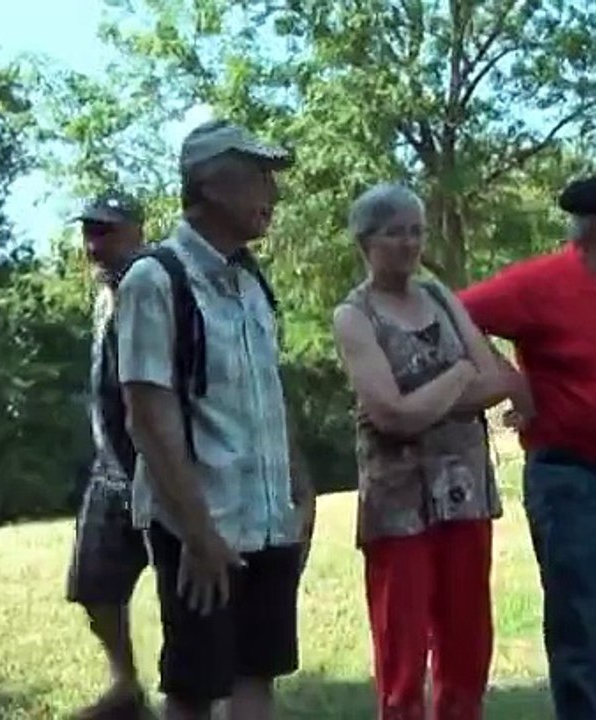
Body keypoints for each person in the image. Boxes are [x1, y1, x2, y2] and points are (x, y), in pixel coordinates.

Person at [113, 119, 315, 720]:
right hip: (203, 527)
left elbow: (266, 394)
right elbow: (148, 417)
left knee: (258, 672)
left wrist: (299, 489)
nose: (271, 197)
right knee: (196, 688)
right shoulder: (156, 280)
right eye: (258, 179)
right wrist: (199, 533)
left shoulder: (250, 279)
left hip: (267, 517)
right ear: (210, 185)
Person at [458, 175, 596, 720]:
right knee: (582, 625)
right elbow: (454, 312)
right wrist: (510, 379)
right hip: (567, 479)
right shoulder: (541, 282)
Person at [331, 183, 517, 719]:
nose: (410, 243)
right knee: (403, 651)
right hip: (397, 504)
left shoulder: (439, 297)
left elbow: (498, 381)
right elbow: (391, 415)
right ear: (366, 241)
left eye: (416, 230)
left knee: (468, 643)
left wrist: (431, 397)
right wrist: (458, 374)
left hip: (464, 493)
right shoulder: (355, 315)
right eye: (395, 232)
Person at [64, 190, 151, 720]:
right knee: (93, 586)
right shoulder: (104, 292)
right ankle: (126, 688)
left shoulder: (155, 286)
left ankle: (205, 695)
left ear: (137, 230)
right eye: (90, 231)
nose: (95, 242)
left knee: (190, 595)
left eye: (106, 231)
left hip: (160, 467)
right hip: (110, 468)